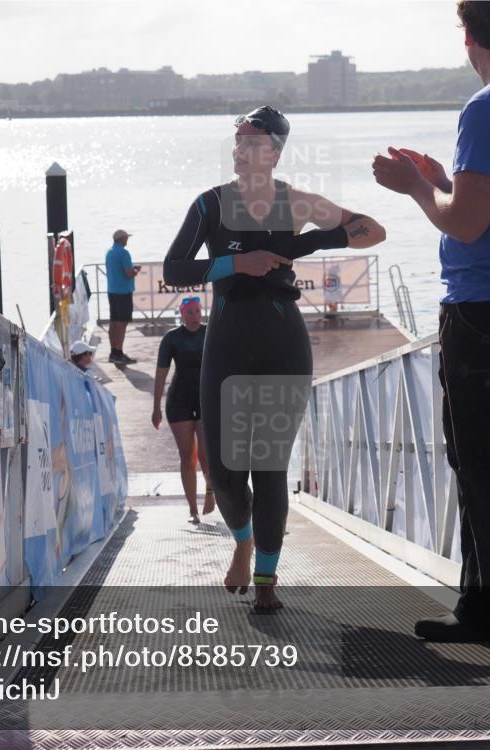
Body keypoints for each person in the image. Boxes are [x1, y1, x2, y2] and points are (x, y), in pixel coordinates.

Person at [372, 0, 490, 641]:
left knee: (481, 456)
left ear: (468, 34)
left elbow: (467, 223)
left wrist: (413, 188)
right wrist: (438, 176)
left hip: (486, 306)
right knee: (486, 455)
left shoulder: (487, 108)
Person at [164, 105, 386, 612]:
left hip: (282, 338)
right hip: (228, 338)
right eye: (237, 139)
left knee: (268, 467)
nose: (240, 148)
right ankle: (242, 538)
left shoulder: (298, 201)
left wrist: (308, 241)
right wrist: (238, 261)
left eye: (252, 139)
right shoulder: (211, 205)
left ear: (275, 151)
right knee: (222, 469)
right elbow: (175, 270)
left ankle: (266, 579)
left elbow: (373, 231)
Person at [152, 296, 213, 524]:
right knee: (187, 457)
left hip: (205, 399)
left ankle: (210, 492)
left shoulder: (210, 332)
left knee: (207, 457)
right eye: (189, 313)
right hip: (179, 401)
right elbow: (161, 373)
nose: (194, 317)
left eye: (197, 312)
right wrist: (156, 406)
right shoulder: (172, 339)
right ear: (182, 314)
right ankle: (192, 510)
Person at [105, 229, 141, 364]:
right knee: (122, 323)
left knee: (114, 322)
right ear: (121, 239)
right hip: (123, 292)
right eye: (126, 238)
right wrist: (136, 269)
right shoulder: (124, 253)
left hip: (112, 291)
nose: (127, 240)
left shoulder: (109, 252)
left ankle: (113, 351)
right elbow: (129, 273)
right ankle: (119, 353)